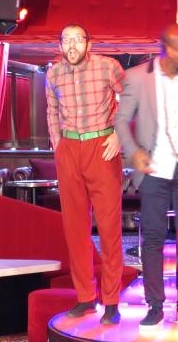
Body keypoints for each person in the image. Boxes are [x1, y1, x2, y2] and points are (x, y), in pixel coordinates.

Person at [114, 24, 178, 326]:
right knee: (153, 239)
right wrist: (134, 152)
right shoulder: (137, 77)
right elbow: (121, 122)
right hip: (154, 169)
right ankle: (154, 305)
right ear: (170, 50)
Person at [45, 23, 126, 325]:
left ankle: (112, 300)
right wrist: (57, 144)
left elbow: (130, 100)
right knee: (75, 228)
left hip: (101, 146)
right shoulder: (53, 73)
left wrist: (119, 135)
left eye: (78, 39)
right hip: (69, 149)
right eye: (66, 40)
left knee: (108, 228)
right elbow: (51, 110)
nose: (72, 45)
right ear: (60, 45)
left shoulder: (107, 66)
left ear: (89, 44)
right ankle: (85, 298)